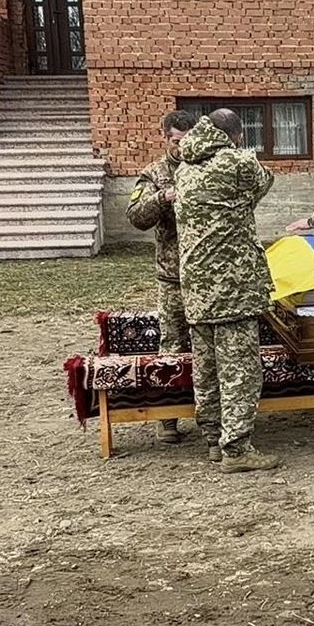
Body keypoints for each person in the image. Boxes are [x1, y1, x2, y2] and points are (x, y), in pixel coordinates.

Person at [173, 110, 279, 473]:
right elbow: (267, 179)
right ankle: (236, 449)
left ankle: (213, 440)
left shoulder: (184, 167)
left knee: (207, 370)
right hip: (232, 289)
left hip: (196, 289)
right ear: (236, 136)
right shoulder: (235, 162)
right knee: (240, 371)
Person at [128, 109, 200, 442]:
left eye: (188, 141)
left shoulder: (204, 168)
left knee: (205, 347)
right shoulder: (154, 173)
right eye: (176, 142)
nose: (182, 148)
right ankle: (169, 419)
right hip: (172, 277)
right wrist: (162, 197)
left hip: (203, 275)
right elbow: (136, 216)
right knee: (172, 346)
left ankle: (206, 414)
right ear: (165, 138)